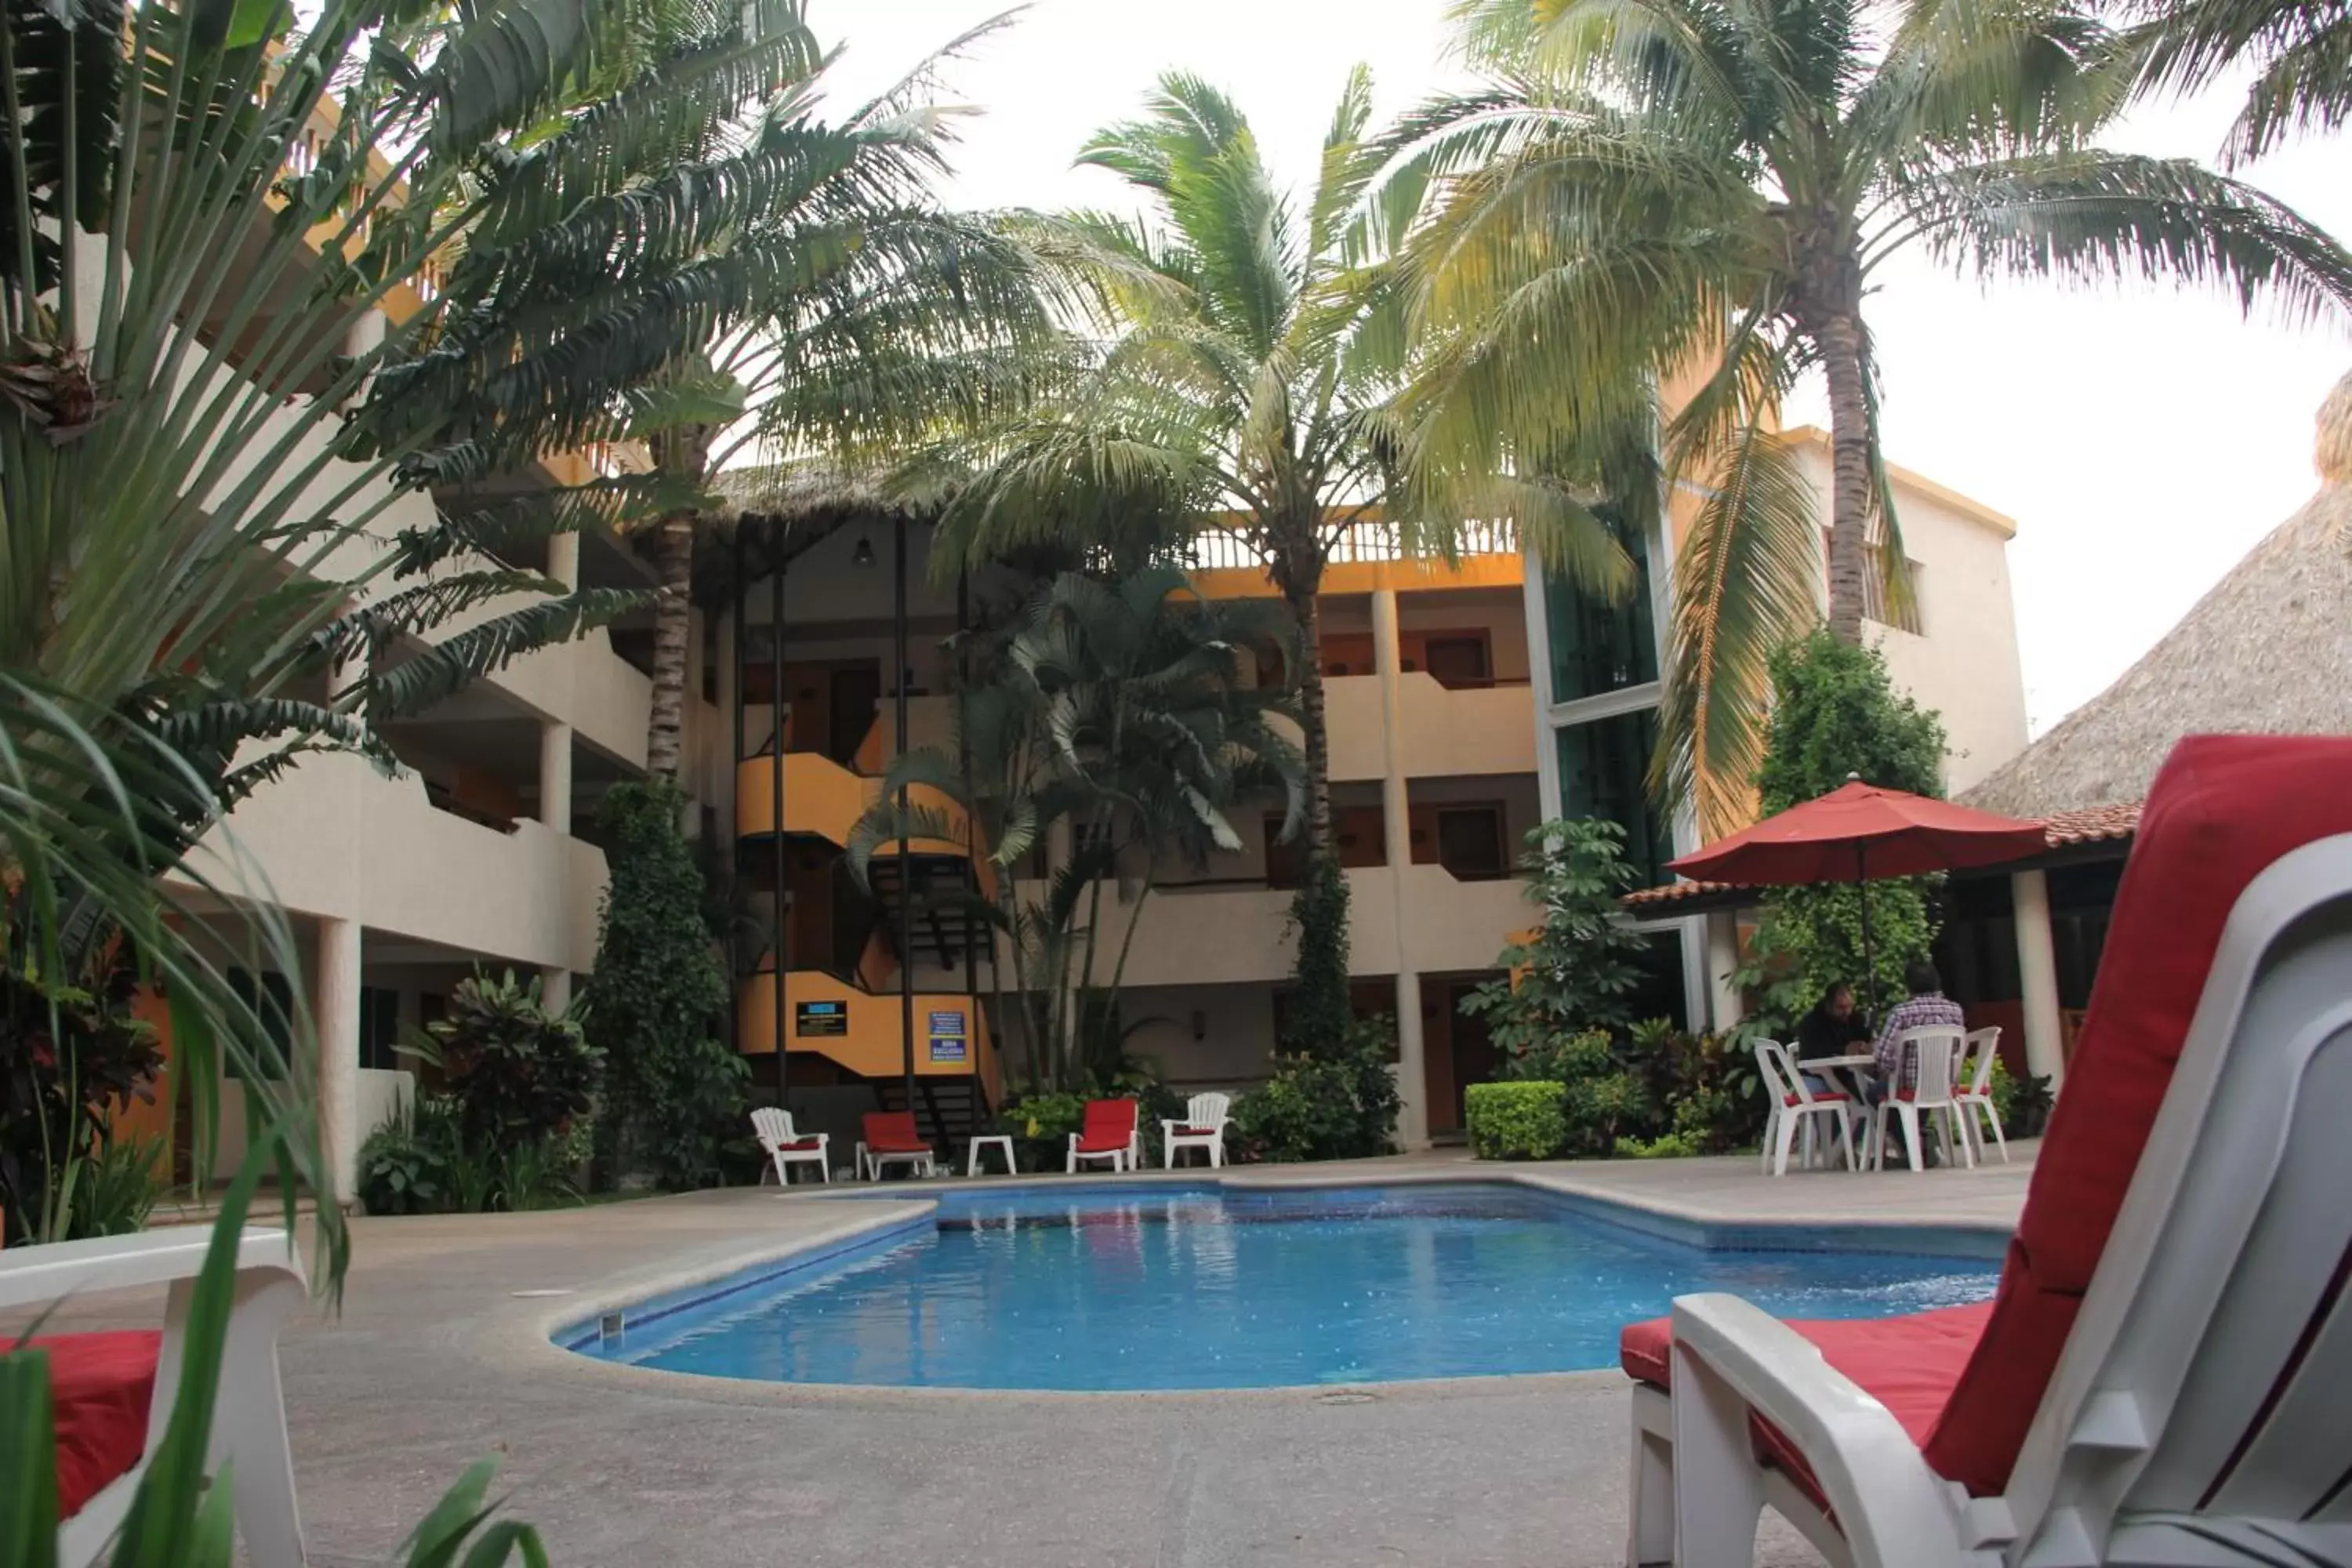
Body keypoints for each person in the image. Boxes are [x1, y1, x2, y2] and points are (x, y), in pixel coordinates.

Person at [1870, 958, 1968, 1096]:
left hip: (1909, 1088)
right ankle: (1915, 1117)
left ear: (1908, 986)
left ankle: (1901, 1117)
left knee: (1873, 1092)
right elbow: (1958, 1052)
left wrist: (1896, 1067)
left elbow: (1882, 1057)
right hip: (1944, 1085)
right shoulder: (1955, 1011)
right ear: (1936, 983)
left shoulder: (1901, 1013)